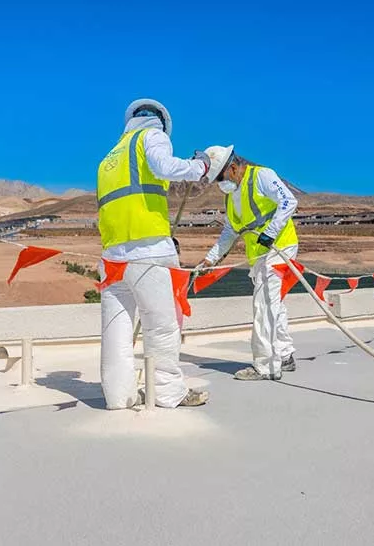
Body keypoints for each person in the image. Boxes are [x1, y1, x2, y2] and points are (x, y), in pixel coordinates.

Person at [96, 98, 212, 409]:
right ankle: (168, 392)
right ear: (160, 122)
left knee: (116, 330)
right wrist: (200, 167)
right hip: (148, 248)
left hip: (112, 254)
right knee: (161, 325)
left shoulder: (109, 157)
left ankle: (119, 397)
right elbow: (165, 167)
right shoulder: (151, 136)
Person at [199, 145, 299, 381]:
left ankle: (266, 366)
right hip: (260, 254)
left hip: (279, 247)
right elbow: (230, 231)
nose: (219, 184)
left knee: (264, 304)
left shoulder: (262, 176)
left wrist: (271, 232)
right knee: (273, 303)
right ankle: (284, 354)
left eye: (220, 178)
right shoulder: (231, 196)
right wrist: (211, 258)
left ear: (233, 168)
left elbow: (288, 201)